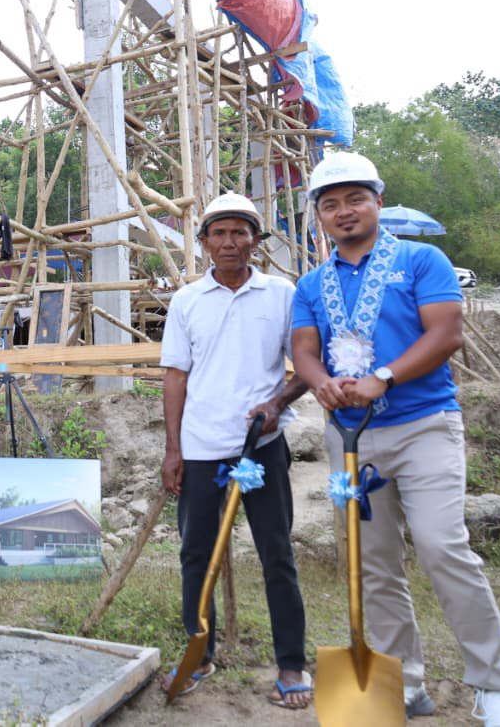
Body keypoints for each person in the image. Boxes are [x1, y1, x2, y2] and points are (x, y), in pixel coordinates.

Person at [291, 151, 500, 723]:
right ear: (319, 215)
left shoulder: (420, 260)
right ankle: (402, 682)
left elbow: (447, 333)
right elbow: (304, 350)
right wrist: (320, 383)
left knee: (442, 547)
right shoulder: (311, 284)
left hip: (423, 426)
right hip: (349, 437)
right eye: (330, 204)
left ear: (378, 202)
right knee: (372, 561)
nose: (344, 211)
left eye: (355, 199)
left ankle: (493, 684)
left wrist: (382, 377)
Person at [159, 193, 311, 708]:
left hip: (262, 446)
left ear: (256, 241)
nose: (229, 242)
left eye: (239, 232)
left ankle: (291, 663)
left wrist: (277, 403)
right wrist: (173, 450)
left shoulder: (281, 294)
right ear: (204, 242)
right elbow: (175, 377)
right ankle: (199, 654)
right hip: (202, 448)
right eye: (219, 233)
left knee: (277, 553)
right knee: (196, 554)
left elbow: (305, 366)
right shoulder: (187, 301)